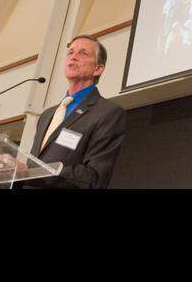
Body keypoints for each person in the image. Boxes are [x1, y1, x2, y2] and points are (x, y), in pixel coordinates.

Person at [23, 35, 127, 189]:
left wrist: (40, 172)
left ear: (98, 68)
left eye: (83, 53)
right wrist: (4, 170)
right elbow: (32, 167)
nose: (73, 57)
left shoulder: (108, 113)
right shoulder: (47, 115)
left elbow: (94, 178)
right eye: (70, 52)